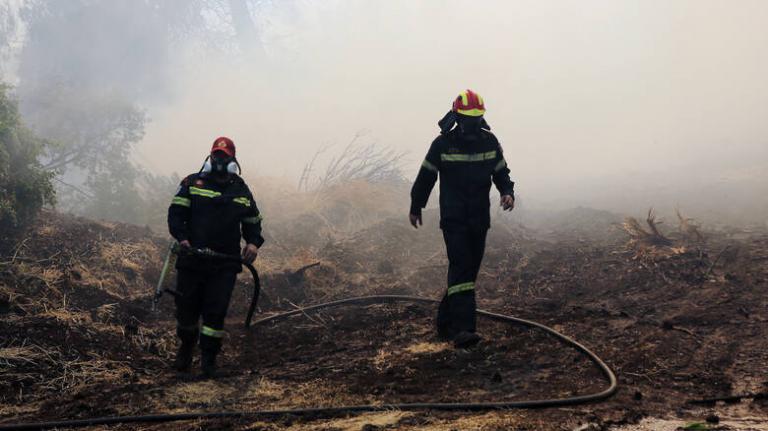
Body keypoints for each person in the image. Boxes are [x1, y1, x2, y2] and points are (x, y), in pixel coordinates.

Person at [409, 90, 515, 348]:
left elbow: (501, 171)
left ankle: (445, 323)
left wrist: (507, 192)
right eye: (468, 117)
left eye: (477, 117)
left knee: (468, 271)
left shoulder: (489, 142)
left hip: (479, 218)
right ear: (457, 116)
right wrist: (416, 205)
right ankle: (463, 330)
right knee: (461, 267)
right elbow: (426, 177)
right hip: (454, 218)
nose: (472, 122)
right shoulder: (442, 144)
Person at [167, 136, 264, 377]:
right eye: (216, 156)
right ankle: (187, 346)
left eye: (224, 157)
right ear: (209, 158)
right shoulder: (192, 183)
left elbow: (253, 221)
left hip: (224, 264)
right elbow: (176, 215)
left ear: (233, 161)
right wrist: (183, 239)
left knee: (215, 311)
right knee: (186, 310)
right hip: (192, 260)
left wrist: (253, 243)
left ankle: (209, 361)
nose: (219, 161)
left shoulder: (241, 190)